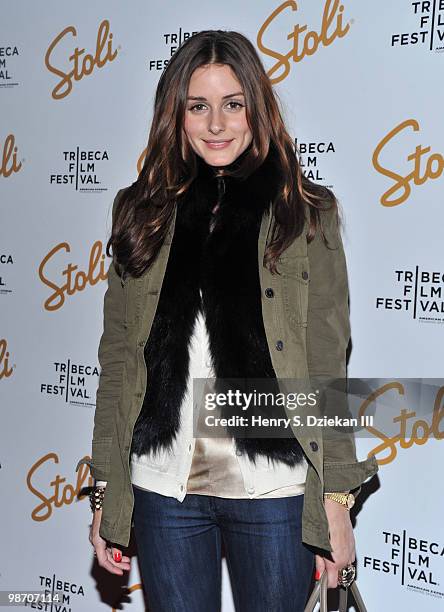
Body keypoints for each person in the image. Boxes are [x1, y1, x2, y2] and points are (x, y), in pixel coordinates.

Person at [76, 30, 379, 612]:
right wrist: (107, 494)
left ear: (255, 110)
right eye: (198, 106)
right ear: (177, 115)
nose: (216, 123)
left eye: (232, 103)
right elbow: (118, 360)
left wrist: (335, 502)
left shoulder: (305, 213)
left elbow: (325, 364)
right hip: (165, 486)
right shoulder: (141, 210)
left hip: (273, 489)